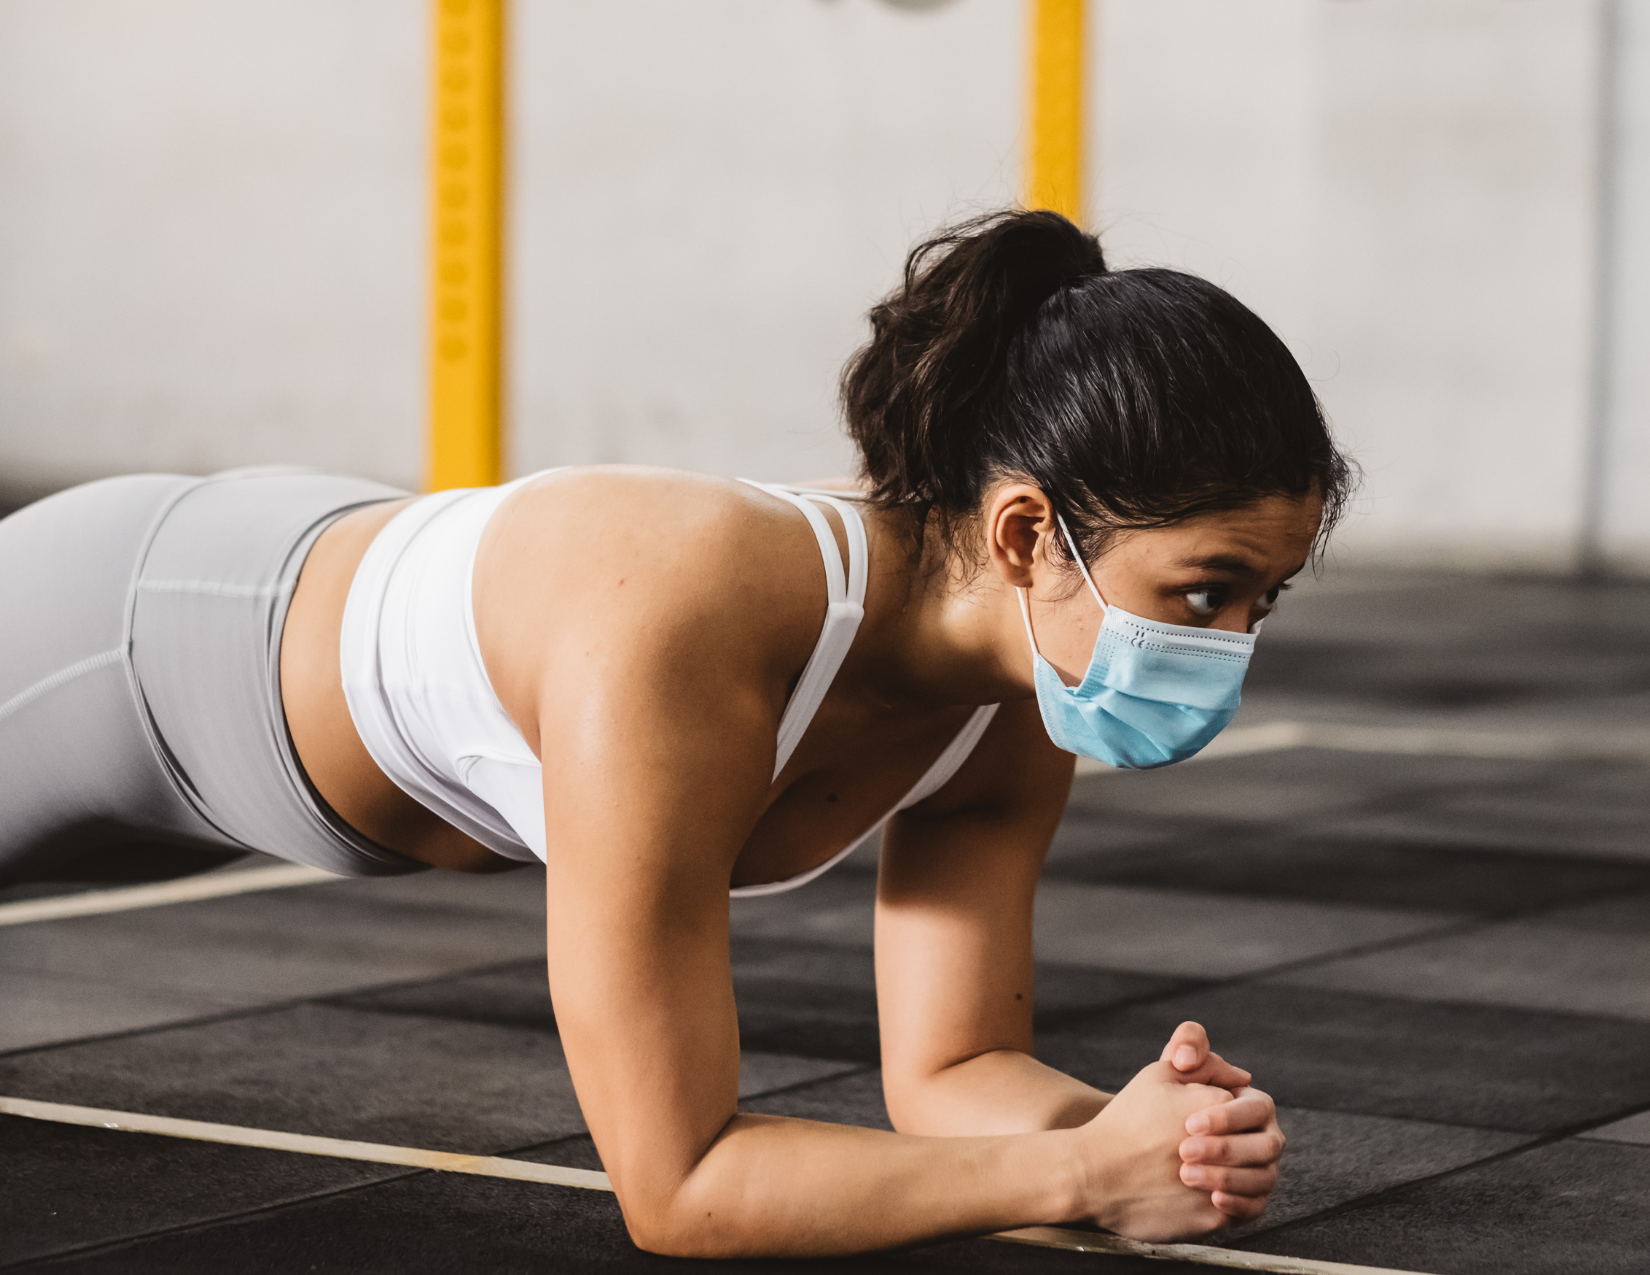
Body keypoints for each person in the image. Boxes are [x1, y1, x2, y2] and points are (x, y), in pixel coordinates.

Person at [0, 210, 1349, 1257]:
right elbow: (682, 1184)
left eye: (1260, 600)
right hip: (130, 632)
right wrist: (1073, 1175)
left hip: (319, 594)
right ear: (1021, 533)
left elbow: (951, 1072)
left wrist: (1153, 1141)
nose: (1227, 644)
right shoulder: (696, 620)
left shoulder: (1014, 699)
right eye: (1202, 590)